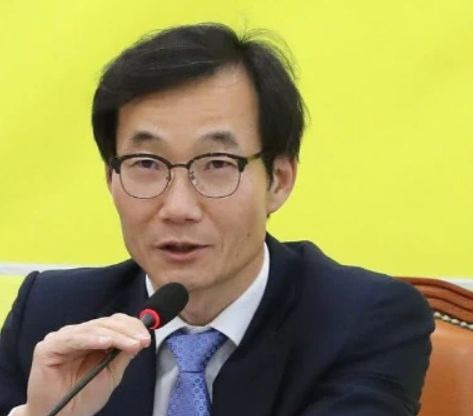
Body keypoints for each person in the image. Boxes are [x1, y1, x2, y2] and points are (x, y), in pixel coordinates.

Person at [0, 23, 434, 416]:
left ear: (279, 180)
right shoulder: (52, 315)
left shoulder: (366, 321)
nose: (178, 207)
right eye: (146, 163)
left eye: (217, 164)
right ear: (111, 178)